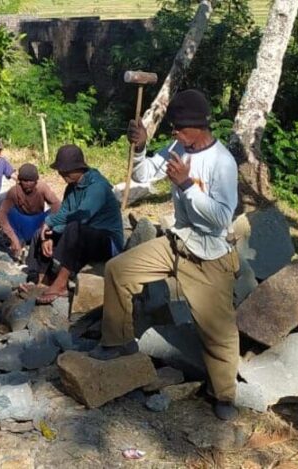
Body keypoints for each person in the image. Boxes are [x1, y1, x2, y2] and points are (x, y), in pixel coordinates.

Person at [88, 89, 241, 421]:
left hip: (208, 256)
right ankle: (119, 340)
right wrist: (141, 147)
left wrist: (187, 186)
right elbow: (144, 176)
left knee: (219, 331)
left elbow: (221, 220)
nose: (174, 134)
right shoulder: (177, 148)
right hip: (176, 243)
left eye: (178, 128)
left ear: (197, 127)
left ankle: (224, 395)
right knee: (118, 270)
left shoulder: (222, 163)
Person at [26, 144, 123, 304]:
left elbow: (81, 217)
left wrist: (52, 225)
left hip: (107, 241)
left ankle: (61, 283)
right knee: (41, 233)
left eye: (67, 171)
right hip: (79, 235)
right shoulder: (71, 188)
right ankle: (39, 280)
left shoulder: (97, 187)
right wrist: (50, 231)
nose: (62, 174)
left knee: (73, 228)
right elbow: (64, 212)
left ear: (80, 168)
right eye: (61, 171)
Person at [0, 163, 61, 259]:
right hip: (22, 224)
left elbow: (56, 204)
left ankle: (45, 240)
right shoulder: (13, 192)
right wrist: (13, 239)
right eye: (25, 181)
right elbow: (1, 214)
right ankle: (20, 242)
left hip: (39, 224)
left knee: (59, 209)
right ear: (19, 180)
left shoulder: (42, 187)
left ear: (36, 180)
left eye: (31, 181)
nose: (28, 184)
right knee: (8, 211)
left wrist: (47, 224)